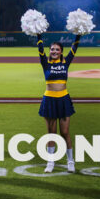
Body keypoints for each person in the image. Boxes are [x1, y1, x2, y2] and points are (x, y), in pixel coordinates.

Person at [37, 34, 81, 173]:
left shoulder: (66, 62)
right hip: (49, 100)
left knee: (65, 132)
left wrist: (78, 34)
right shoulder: (45, 63)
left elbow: (74, 48)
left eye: (57, 49)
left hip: (63, 100)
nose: (54, 51)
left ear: (61, 52)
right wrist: (38, 34)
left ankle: (70, 161)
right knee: (51, 133)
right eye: (52, 49)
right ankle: (50, 162)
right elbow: (40, 49)